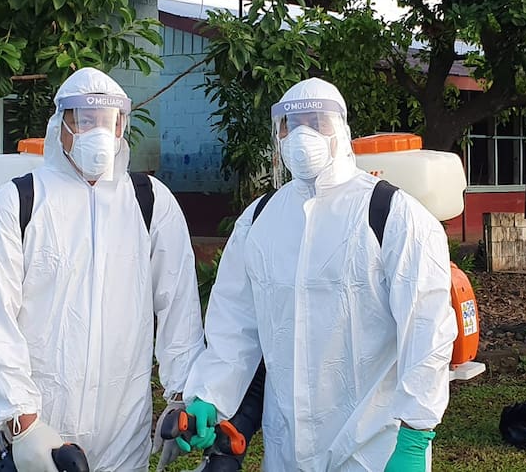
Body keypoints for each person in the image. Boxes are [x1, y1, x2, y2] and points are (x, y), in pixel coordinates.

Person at [178, 77, 456, 471]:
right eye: (292, 124)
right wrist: (211, 393)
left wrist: (415, 434)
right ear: (279, 134)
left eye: (317, 122)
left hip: (376, 442)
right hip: (286, 443)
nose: (303, 134)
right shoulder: (259, 219)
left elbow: (427, 328)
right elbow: (235, 324)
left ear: (341, 131)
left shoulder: (392, 214)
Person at [0, 68, 204, 472]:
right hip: (45, 427)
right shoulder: (15, 204)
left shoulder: (150, 203)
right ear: (61, 124)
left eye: (109, 121)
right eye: (84, 119)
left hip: (125, 424)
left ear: (123, 125)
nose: (98, 132)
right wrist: (23, 422)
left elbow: (179, 307)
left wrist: (184, 395)